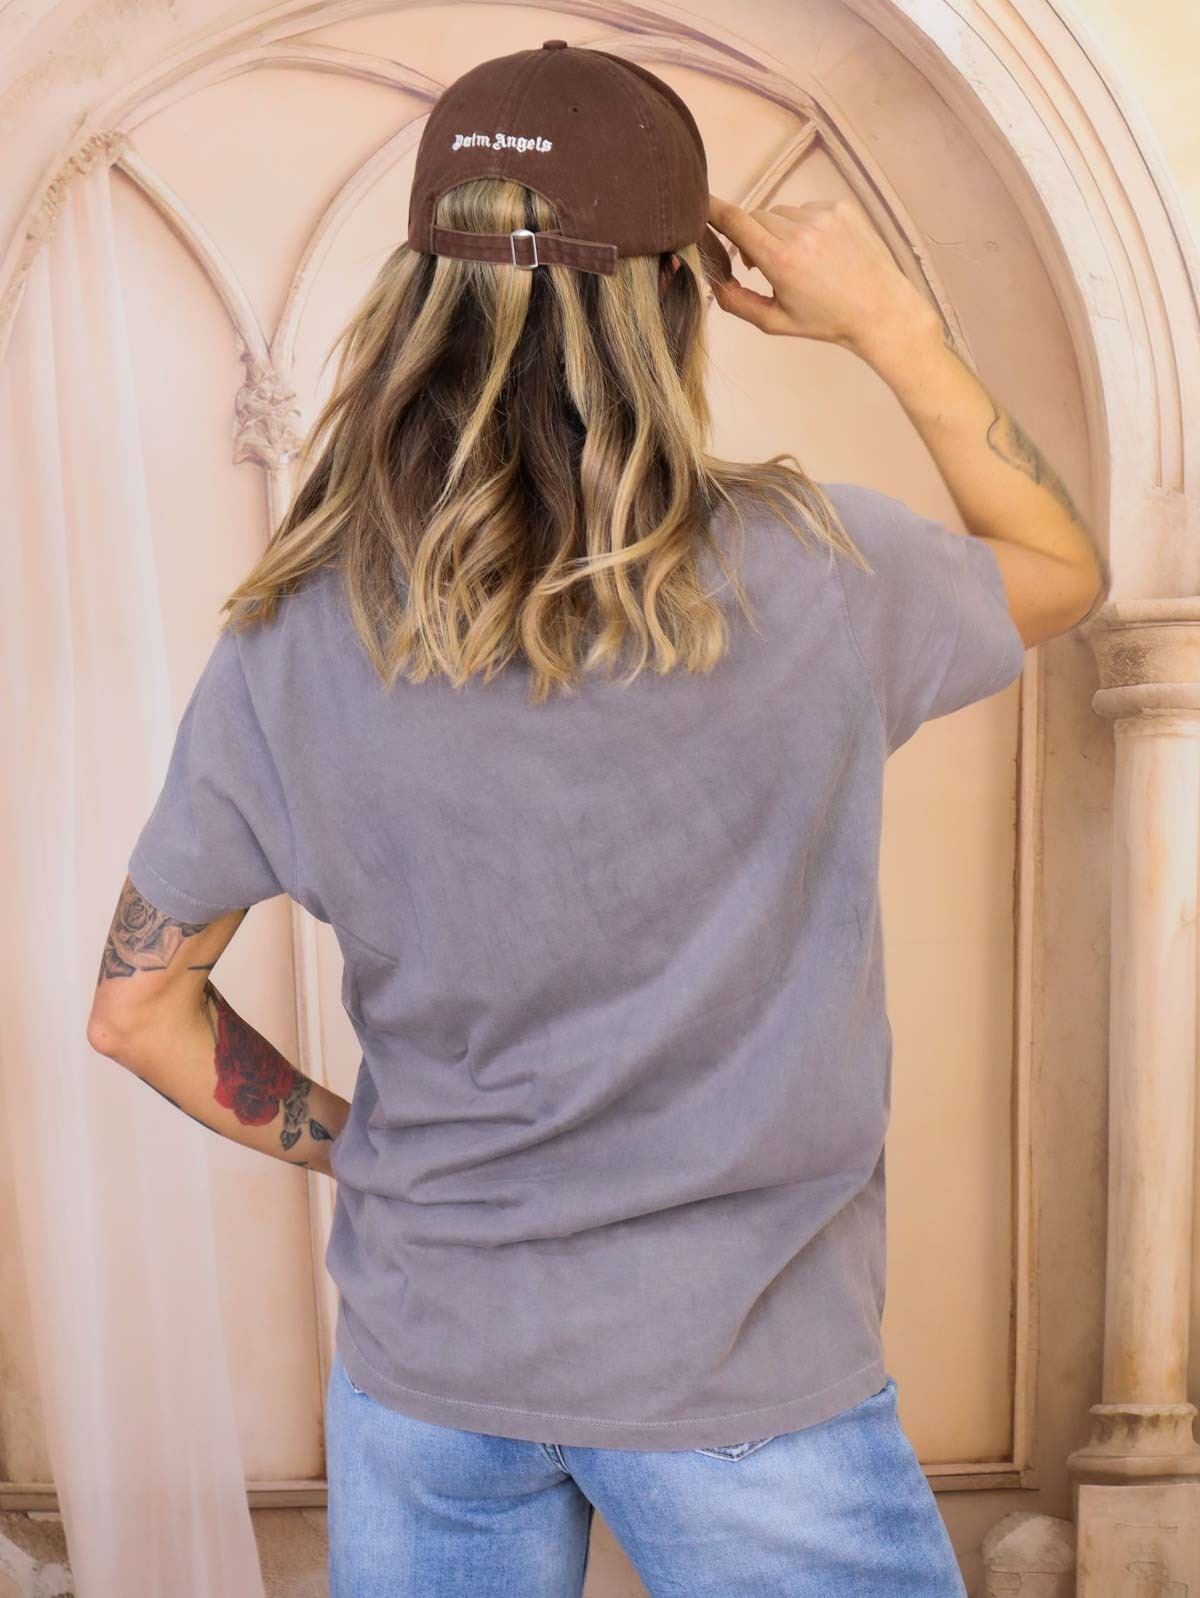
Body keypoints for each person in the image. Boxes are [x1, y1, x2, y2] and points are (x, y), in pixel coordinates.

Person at [86, 40, 1107, 1598]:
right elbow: (1059, 568)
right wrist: (892, 323)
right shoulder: (819, 572)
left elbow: (138, 1010)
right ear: (673, 303)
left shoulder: (291, 636)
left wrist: (376, 1154)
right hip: (741, 1376)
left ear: (421, 299)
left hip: (429, 1370)